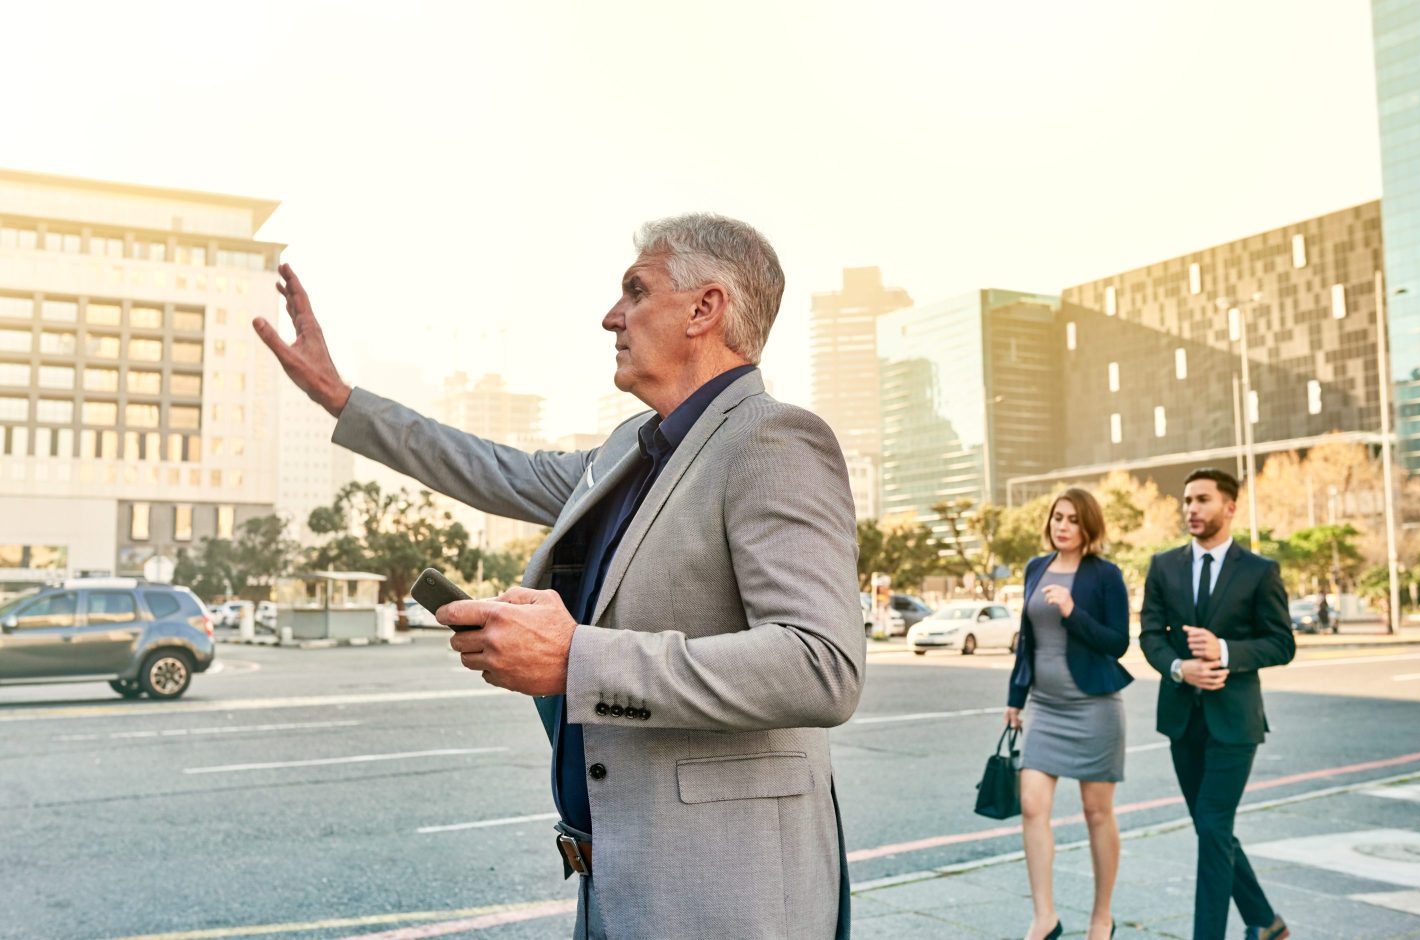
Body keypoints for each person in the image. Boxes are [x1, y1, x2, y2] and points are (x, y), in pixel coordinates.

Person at [253, 214, 865, 939]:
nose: (612, 316)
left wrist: (577, 659)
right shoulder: (629, 453)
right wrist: (340, 398)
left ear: (706, 308)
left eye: (635, 291)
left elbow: (821, 664)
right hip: (614, 882)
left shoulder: (773, 439)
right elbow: (491, 468)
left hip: (726, 896)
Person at [1139, 468, 1295, 940]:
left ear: (1229, 507)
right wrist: (1178, 668)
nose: (1191, 509)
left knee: (1211, 825)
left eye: (1202, 500)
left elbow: (1281, 644)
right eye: (1186, 501)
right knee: (1211, 829)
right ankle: (1266, 922)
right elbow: (1149, 635)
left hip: (1235, 725)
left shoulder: (1259, 571)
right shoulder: (1163, 566)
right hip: (1183, 721)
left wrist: (1225, 651)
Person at [1005, 487, 1132, 940]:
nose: (1063, 525)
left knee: (1097, 812)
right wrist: (1015, 698)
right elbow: (1027, 640)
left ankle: (1102, 917)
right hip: (1047, 707)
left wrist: (1073, 611)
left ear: (1089, 526)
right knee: (1031, 805)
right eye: (1058, 517)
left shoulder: (1106, 575)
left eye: (1073, 519)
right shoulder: (1035, 569)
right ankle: (1045, 917)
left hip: (1095, 707)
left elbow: (1118, 643)